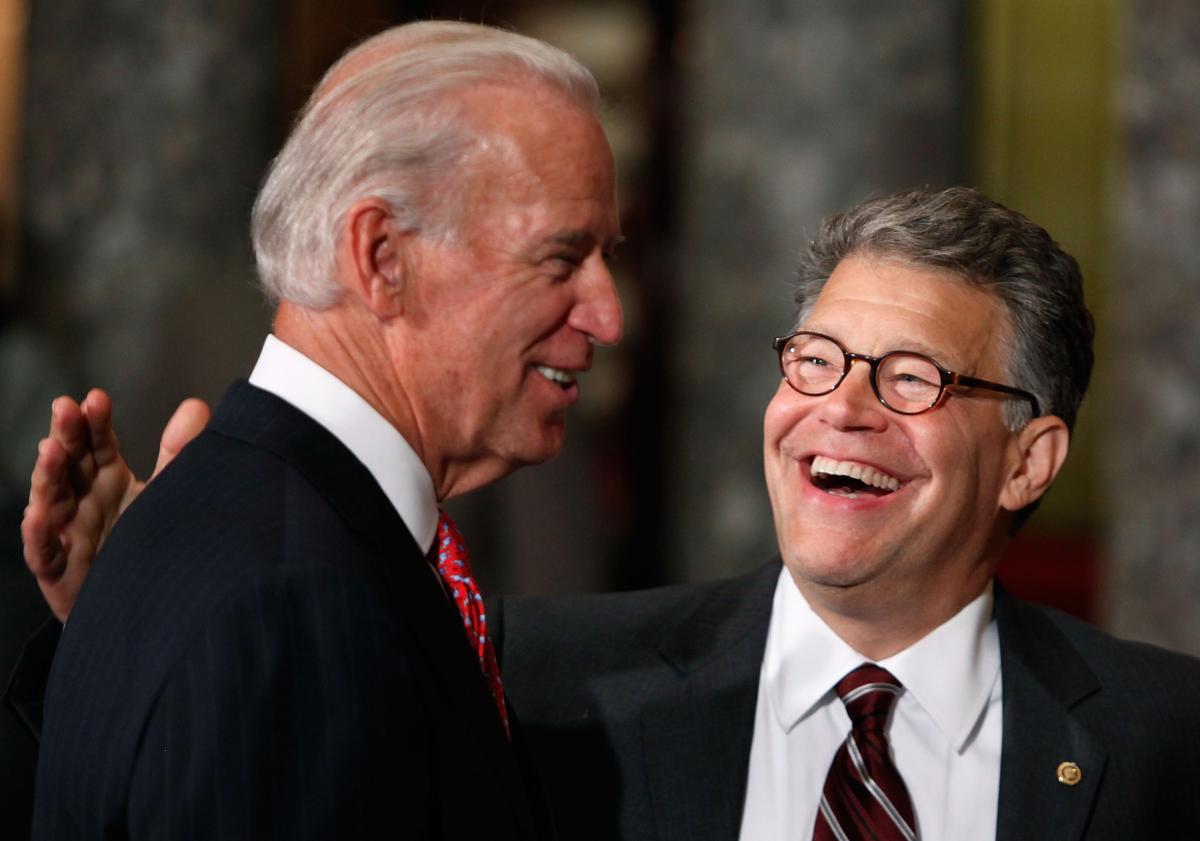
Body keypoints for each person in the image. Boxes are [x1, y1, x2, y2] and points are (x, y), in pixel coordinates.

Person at [16, 188, 1200, 840]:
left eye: (911, 379)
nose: (840, 411)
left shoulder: (1167, 743)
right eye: (816, 360)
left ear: (1029, 460)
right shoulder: (540, 685)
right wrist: (136, 613)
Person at [11, 20, 622, 840]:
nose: (608, 315)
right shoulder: (296, 607)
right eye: (561, 259)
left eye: (607, 256)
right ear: (382, 257)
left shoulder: (237, 526)